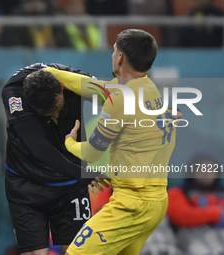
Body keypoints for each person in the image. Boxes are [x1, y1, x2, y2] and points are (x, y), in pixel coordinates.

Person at [45, 29, 178, 255]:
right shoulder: (147, 88)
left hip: (131, 204)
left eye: (114, 49)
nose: (112, 54)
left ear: (120, 58)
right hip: (155, 202)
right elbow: (92, 87)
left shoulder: (120, 98)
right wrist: (49, 72)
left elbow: (92, 153)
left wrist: (70, 143)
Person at [1, 63, 110, 255]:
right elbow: (40, 148)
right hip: (26, 186)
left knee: (79, 252)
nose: (57, 116)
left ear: (61, 86)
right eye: (48, 114)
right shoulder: (14, 94)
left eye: (58, 107)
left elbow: (119, 100)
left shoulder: (76, 80)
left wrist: (161, 113)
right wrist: (81, 174)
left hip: (70, 188)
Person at [167, 153, 224, 254]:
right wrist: (216, 214)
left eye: (210, 169)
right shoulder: (178, 192)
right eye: (201, 168)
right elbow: (181, 215)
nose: (206, 172)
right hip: (195, 239)